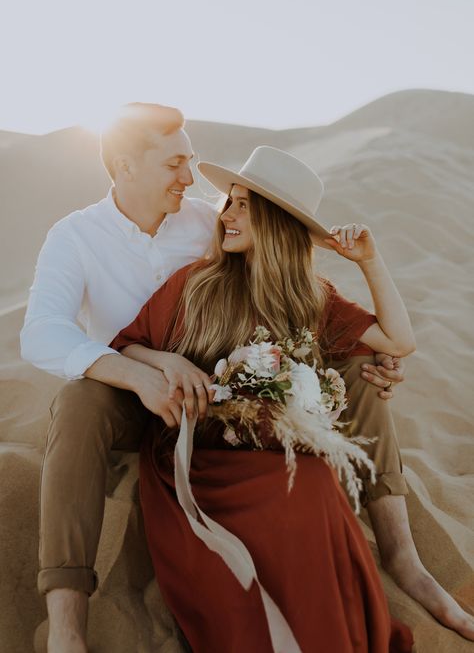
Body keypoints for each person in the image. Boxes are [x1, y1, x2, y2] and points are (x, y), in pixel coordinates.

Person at [19, 105, 472, 651]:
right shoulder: (77, 237)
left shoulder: (205, 224)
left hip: (231, 403)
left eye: (193, 164)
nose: (193, 182)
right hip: (130, 391)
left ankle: (404, 556)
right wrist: (149, 370)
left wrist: (365, 339)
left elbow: (279, 286)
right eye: (176, 164)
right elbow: (44, 332)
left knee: (359, 367)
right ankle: (67, 621)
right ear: (125, 167)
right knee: (79, 401)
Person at [109, 145, 417, 651]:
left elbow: (398, 341)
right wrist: (169, 362)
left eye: (243, 205)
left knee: (315, 484)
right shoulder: (195, 284)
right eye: (228, 202)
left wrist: (370, 260)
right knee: (297, 491)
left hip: (277, 452)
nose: (225, 215)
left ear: (275, 221)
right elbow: (127, 345)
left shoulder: (311, 297)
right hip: (199, 456)